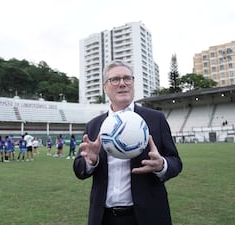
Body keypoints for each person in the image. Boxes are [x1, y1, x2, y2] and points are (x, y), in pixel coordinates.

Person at [73, 60, 183, 225]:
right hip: (104, 218)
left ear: (133, 83)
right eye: (115, 79)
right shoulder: (94, 125)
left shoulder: (155, 119)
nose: (122, 83)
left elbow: (175, 162)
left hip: (147, 217)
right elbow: (79, 169)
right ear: (105, 87)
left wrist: (161, 165)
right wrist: (91, 161)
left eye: (127, 78)